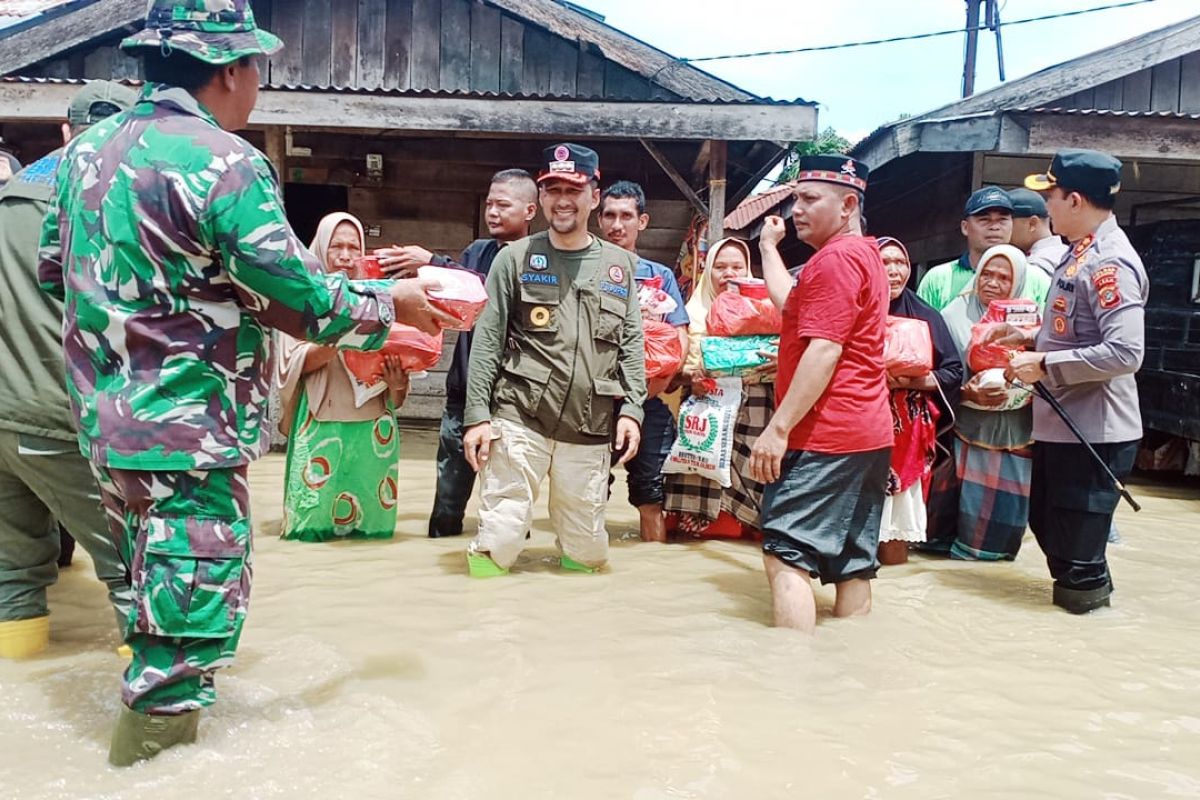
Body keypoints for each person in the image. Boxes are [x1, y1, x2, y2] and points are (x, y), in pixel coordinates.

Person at [38, 0, 455, 766]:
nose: (259, 82)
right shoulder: (223, 162)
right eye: (257, 66)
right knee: (186, 642)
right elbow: (299, 297)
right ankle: (146, 771)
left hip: (108, 432)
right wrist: (389, 302)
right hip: (189, 440)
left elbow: (54, 271)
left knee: (148, 608)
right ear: (230, 69)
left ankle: (159, 754)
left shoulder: (84, 156)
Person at [461, 143, 646, 576]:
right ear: (541, 198)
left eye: (573, 189)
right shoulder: (514, 259)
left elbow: (632, 343)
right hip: (519, 415)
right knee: (500, 537)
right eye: (552, 189)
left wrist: (633, 410)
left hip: (590, 424)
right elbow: (486, 341)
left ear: (594, 197)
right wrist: (477, 417)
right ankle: (485, 628)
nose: (562, 199)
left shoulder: (620, 266)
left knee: (588, 553)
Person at [0, 81, 138, 660]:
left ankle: (23, 692)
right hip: (64, 418)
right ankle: (163, 736)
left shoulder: (8, 200)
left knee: (14, 577)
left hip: (3, 415)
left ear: (65, 131)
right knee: (138, 573)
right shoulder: (110, 203)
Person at [750, 155, 892, 634]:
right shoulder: (863, 254)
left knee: (784, 554)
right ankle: (843, 672)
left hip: (824, 434)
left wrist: (778, 427)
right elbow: (792, 305)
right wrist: (769, 248)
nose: (796, 210)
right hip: (867, 433)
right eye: (795, 199)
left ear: (848, 204)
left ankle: (789, 680)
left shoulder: (834, 260)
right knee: (851, 562)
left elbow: (826, 349)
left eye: (810, 199)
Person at [1004, 149, 1146, 614]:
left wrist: (1044, 364)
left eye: (1051, 196)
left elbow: (1126, 352)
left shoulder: (1109, 264)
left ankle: (1091, 630)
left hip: (1094, 432)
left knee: (1076, 555)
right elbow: (1078, 329)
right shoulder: (1077, 252)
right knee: (1050, 528)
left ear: (1076, 200)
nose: (1046, 207)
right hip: (1064, 427)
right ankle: (1090, 618)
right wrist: (1030, 334)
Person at [373, 170, 538, 539]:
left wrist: (434, 260)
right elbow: (457, 302)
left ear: (530, 210)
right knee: (447, 501)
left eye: (503, 205)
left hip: (509, 400)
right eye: (490, 204)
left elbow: (492, 295)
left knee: (508, 506)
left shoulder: (536, 260)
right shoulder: (477, 251)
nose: (492, 212)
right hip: (461, 396)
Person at [277, 213, 411, 542]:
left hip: (374, 431)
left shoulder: (379, 300)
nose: (347, 255)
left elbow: (396, 391)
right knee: (310, 525)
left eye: (354, 247)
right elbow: (290, 364)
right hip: (321, 422)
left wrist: (397, 382)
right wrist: (344, 332)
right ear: (321, 249)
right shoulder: (300, 299)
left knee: (371, 534)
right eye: (337, 246)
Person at [663, 236, 774, 539]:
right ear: (708, 271)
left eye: (737, 266)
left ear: (749, 270)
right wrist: (692, 376)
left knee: (755, 493)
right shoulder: (691, 315)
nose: (729, 274)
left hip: (755, 417)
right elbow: (671, 377)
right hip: (704, 419)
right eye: (720, 267)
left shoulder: (768, 311)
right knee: (697, 526)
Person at [597, 180, 689, 543]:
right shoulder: (585, 272)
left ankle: (654, 564)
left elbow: (678, 335)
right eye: (609, 215)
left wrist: (657, 387)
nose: (617, 225)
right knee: (585, 494)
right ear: (599, 219)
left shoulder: (658, 276)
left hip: (647, 401)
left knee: (651, 496)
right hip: (595, 401)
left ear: (643, 221)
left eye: (626, 216)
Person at [941, 244, 1038, 561]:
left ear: (1018, 283)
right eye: (987, 274)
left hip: (1017, 434)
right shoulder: (953, 316)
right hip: (964, 431)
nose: (993, 283)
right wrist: (967, 394)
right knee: (955, 516)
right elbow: (935, 374)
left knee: (1003, 527)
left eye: (1004, 278)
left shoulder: (1030, 324)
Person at [875, 237, 963, 565]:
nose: (894, 271)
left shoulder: (926, 315)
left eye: (900, 263)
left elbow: (953, 371)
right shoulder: (855, 311)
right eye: (885, 263)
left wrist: (912, 381)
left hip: (907, 435)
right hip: (860, 424)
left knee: (898, 512)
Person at [917, 187, 1050, 311]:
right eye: (984, 220)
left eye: (1002, 220)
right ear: (965, 227)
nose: (995, 227)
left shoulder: (1037, 279)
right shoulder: (938, 279)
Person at [1008, 187, 1067, 278]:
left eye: (1007, 221)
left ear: (1032, 224)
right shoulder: (1068, 254)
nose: (1001, 228)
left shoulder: (1036, 266)